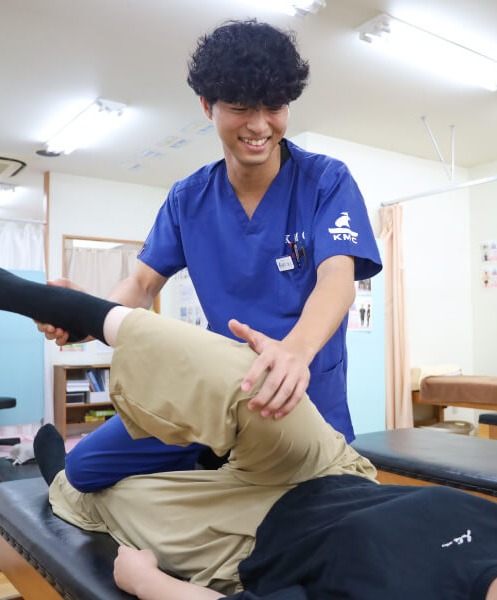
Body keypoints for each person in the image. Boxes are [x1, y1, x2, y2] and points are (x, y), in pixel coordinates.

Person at [0, 263, 497, 600]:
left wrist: (145, 582)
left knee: (102, 500)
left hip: (250, 536)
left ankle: (56, 469)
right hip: (339, 472)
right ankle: (85, 312)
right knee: (250, 380)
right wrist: (288, 358)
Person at [37, 19, 382, 492]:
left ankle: (215, 472)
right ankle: (203, 460)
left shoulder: (325, 180)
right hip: (218, 391)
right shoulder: (188, 199)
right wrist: (85, 314)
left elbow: (337, 280)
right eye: (240, 108)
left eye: (275, 106)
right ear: (207, 106)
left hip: (302, 393)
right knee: (82, 470)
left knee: (306, 512)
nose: (260, 125)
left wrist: (295, 352)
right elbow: (140, 286)